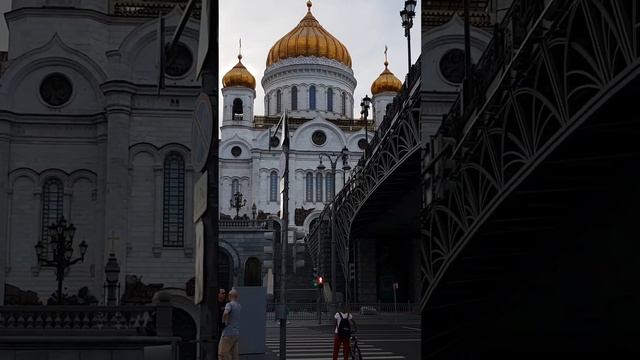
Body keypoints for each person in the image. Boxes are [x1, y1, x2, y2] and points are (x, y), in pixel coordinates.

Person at [218, 288, 241, 360]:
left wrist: (224, 322)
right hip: (236, 333)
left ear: (229, 296)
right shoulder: (239, 306)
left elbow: (225, 313)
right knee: (234, 354)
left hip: (227, 333)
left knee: (223, 354)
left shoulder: (229, 304)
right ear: (237, 296)